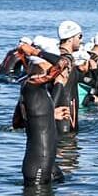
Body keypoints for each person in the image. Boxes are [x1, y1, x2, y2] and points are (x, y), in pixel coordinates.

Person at [20, 20, 83, 135]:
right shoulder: (65, 58)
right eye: (80, 36)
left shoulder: (59, 57)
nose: (81, 40)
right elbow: (58, 85)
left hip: (62, 118)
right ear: (70, 39)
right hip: (64, 121)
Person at [16, 55, 68, 186]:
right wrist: (38, 52)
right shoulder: (32, 85)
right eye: (48, 64)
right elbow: (63, 63)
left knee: (62, 184)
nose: (52, 67)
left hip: (45, 161)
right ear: (41, 66)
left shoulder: (31, 88)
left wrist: (48, 115)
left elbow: (17, 122)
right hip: (38, 163)